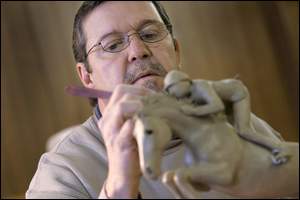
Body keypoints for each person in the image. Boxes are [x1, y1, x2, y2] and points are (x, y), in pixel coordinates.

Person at [26, 1, 299, 199]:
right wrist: (119, 187)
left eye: (150, 34)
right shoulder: (63, 171)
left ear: (176, 51)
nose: (138, 51)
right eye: (112, 45)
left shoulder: (236, 126)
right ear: (86, 77)